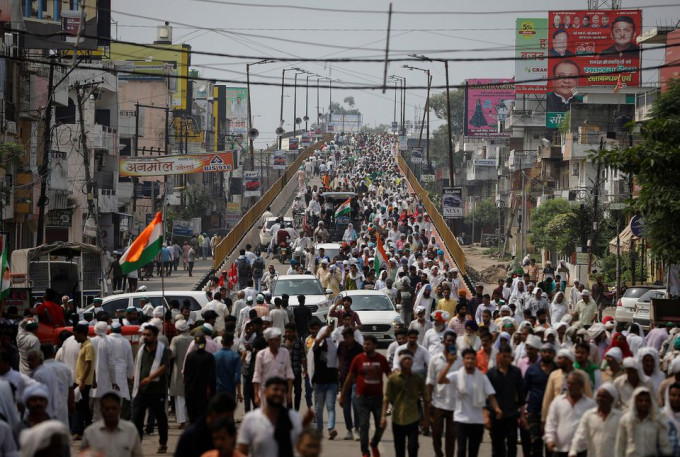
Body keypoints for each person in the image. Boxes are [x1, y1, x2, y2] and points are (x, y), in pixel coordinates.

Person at [438, 347, 502, 457]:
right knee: (461, 450)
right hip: (461, 419)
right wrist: (449, 364)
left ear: (476, 361)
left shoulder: (482, 377)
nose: (470, 361)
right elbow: (440, 380)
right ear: (463, 360)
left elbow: (491, 396)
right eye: (467, 358)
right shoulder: (457, 375)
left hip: (477, 421)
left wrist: (497, 409)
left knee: (473, 451)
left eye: (472, 358)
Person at [339, 335, 391, 457]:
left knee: (381, 425)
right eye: (364, 344)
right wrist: (342, 395)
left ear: (375, 346)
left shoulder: (381, 359)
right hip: (362, 398)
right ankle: (365, 452)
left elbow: (390, 377)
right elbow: (349, 378)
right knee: (364, 425)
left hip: (378, 398)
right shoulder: (358, 359)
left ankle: (374, 443)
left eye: (368, 344)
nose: (366, 346)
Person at [237, 376, 312, 457]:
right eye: (275, 389)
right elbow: (242, 452)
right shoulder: (251, 419)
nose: (279, 393)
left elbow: (305, 447)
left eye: (283, 391)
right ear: (264, 392)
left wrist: (304, 425)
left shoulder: (294, 418)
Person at [381, 349, 430, 457]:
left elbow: (426, 400)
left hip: (413, 419)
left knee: (413, 447)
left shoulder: (418, 379)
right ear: (400, 361)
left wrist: (426, 419)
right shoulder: (393, 379)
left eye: (409, 359)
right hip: (397, 419)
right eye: (404, 359)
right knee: (399, 449)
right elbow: (386, 398)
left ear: (412, 361)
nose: (407, 361)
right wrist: (383, 417)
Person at [131, 323, 170, 454]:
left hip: (157, 390)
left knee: (161, 418)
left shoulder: (162, 350)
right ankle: (137, 446)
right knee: (136, 418)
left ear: (155, 336)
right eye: (144, 335)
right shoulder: (142, 349)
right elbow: (137, 365)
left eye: (148, 335)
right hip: (141, 390)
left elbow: (164, 366)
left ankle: (163, 443)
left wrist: (150, 378)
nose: (145, 337)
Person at [544, 371, 596, 457]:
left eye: (573, 384)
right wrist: (550, 439)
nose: (570, 386)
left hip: (582, 449)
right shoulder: (558, 402)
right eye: (568, 383)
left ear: (581, 386)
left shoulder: (590, 404)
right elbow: (551, 423)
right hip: (560, 449)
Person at [486, 343, 525, 457]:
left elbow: (521, 394)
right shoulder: (491, 373)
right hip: (496, 415)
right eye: (504, 356)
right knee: (497, 445)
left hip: (511, 414)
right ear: (498, 356)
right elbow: (487, 396)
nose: (506, 359)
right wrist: (487, 414)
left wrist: (522, 414)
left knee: (512, 443)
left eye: (509, 356)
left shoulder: (516, 372)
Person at [426, 330, 460, 457]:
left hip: (454, 404)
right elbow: (430, 381)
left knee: (451, 436)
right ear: (443, 342)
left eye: (452, 341)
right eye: (448, 340)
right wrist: (428, 401)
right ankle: (439, 454)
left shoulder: (460, 360)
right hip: (438, 402)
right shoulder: (435, 359)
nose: (450, 343)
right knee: (436, 434)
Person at [81, 391, 143, 457]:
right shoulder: (90, 432)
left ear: (119, 409)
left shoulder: (130, 430)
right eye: (107, 409)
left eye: (114, 408)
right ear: (101, 409)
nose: (110, 411)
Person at [615, 386, 672, 457]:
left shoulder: (657, 420)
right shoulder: (625, 420)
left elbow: (664, 444)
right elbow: (620, 444)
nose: (643, 403)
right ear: (635, 401)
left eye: (646, 401)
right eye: (640, 400)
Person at [569, 382, 622, 457]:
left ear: (611, 399)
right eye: (599, 396)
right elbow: (579, 435)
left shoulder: (620, 417)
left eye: (604, 397)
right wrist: (573, 451)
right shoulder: (589, 415)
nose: (600, 399)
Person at [310, 321, 339, 440]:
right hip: (319, 383)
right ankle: (319, 430)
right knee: (318, 409)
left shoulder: (334, 347)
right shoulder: (317, 348)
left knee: (330, 406)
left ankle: (331, 429)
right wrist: (323, 335)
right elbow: (316, 345)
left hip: (331, 382)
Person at [32, 344, 73, 427]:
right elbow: (70, 390)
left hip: (45, 411)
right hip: (62, 409)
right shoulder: (65, 368)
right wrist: (71, 405)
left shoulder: (39, 371)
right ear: (54, 353)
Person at [252, 327, 294, 408]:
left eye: (279, 339)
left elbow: (289, 374)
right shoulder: (261, 355)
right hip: (265, 392)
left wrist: (289, 393)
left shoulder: (285, 353)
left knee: (280, 417)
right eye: (276, 340)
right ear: (269, 341)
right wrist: (256, 395)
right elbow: (257, 376)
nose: (279, 342)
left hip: (280, 393)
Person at [184, 334, 216, 424]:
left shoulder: (190, 356)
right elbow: (212, 376)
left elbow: (186, 374)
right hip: (203, 391)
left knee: (193, 414)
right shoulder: (209, 357)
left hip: (192, 390)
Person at [73, 323, 95, 440]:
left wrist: (82, 381)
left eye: (75, 335)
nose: (74, 337)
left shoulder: (88, 346)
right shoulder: (83, 345)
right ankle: (90, 429)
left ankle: (79, 431)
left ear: (81, 334)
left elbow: (89, 364)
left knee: (81, 407)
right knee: (84, 407)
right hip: (81, 381)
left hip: (84, 382)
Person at [170, 319, 193, 428]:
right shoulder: (193, 339)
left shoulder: (175, 340)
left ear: (177, 330)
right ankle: (189, 419)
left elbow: (172, 354)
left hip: (178, 371)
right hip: (191, 371)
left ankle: (182, 421)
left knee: (180, 397)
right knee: (189, 396)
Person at [214, 333, 242, 402]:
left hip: (217, 390)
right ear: (232, 343)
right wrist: (239, 393)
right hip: (230, 391)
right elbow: (237, 377)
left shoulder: (214, 355)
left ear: (221, 342)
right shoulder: (235, 356)